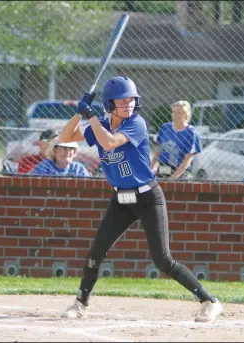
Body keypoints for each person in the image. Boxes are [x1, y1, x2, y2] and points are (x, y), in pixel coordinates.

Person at [58, 76, 223, 322]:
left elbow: (110, 142)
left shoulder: (136, 124)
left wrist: (91, 116)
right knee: (95, 253)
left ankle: (209, 301)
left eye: (132, 100)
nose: (129, 105)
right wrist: (80, 111)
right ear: (110, 103)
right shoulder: (101, 122)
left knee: (163, 260)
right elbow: (65, 136)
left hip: (148, 198)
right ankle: (81, 303)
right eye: (122, 101)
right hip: (120, 201)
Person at [151, 100, 201, 179]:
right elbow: (157, 151)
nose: (175, 115)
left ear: (186, 114)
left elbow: (187, 160)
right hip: (163, 169)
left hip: (181, 173)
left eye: (179, 113)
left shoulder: (191, 133)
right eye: (174, 112)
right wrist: (150, 170)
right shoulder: (165, 128)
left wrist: (173, 178)